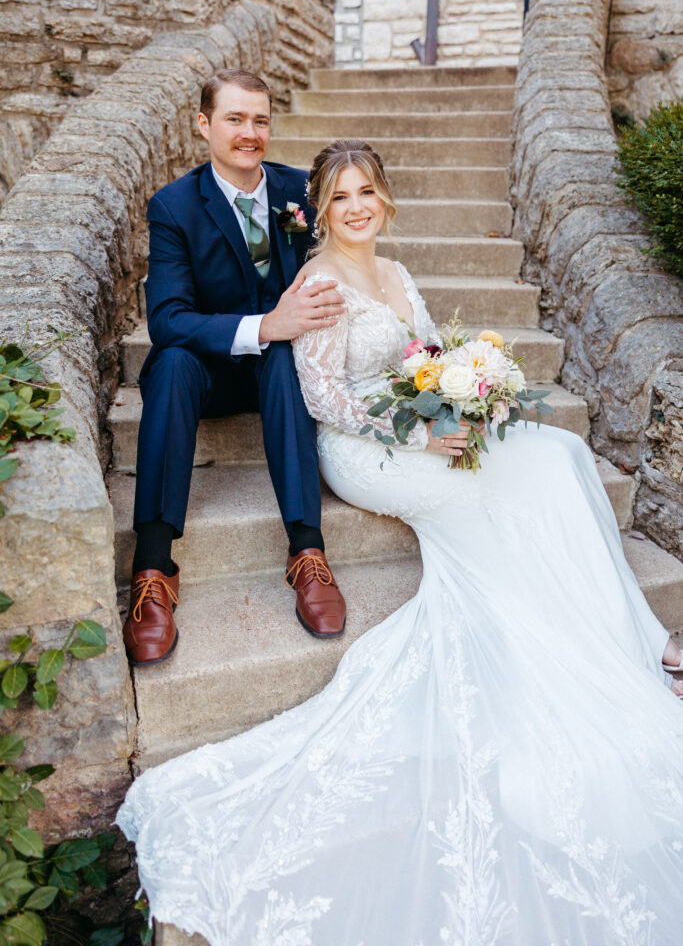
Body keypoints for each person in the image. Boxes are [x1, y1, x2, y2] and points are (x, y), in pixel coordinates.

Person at [117, 140, 683, 943]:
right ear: (322, 207)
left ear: (384, 201)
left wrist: (469, 391)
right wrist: (418, 437)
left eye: (368, 193)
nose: (356, 207)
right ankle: (584, 637)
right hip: (364, 450)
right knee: (501, 492)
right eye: (341, 195)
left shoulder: (396, 274)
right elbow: (322, 398)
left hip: (419, 426)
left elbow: (427, 354)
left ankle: (635, 634)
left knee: (556, 452)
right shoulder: (315, 280)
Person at [122, 71, 348, 667]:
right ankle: (152, 568)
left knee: (280, 355)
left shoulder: (302, 189)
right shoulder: (174, 206)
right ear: (204, 124)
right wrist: (263, 325)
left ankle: (307, 552)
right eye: (235, 119)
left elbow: (341, 268)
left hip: (281, 372)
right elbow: (168, 318)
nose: (250, 133)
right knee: (168, 363)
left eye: (261, 120)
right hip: (209, 371)